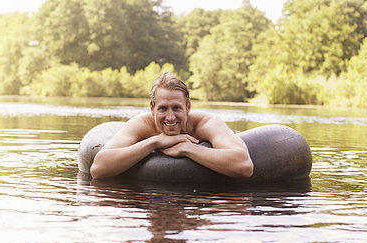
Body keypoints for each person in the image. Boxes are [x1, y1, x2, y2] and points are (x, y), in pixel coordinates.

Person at [90, 72, 254, 180]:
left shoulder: (207, 123)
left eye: (176, 108)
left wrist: (186, 149)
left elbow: (244, 166)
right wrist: (155, 142)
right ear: (152, 108)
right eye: (163, 108)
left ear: (188, 107)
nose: (170, 117)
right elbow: (98, 169)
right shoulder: (141, 124)